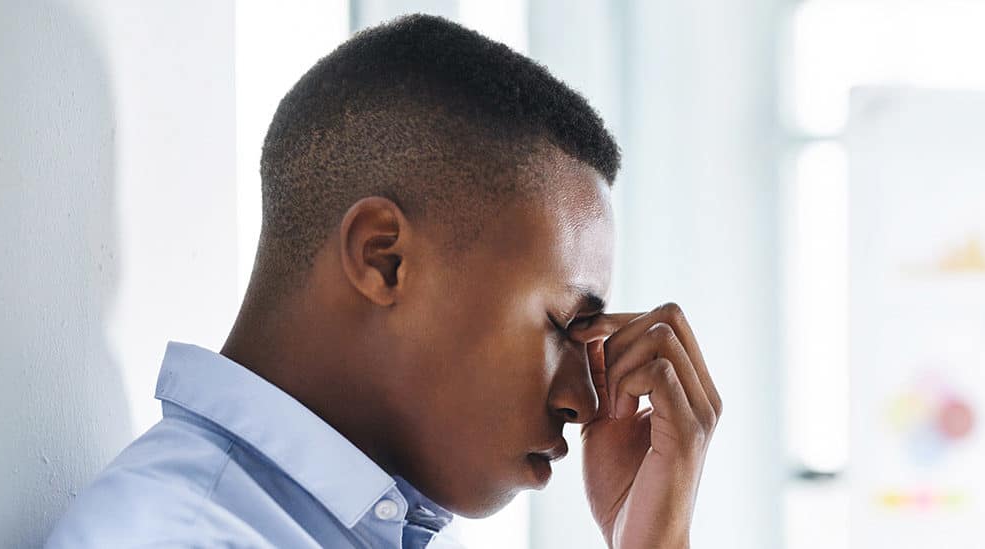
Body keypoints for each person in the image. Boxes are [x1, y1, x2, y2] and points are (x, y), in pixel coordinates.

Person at [47, 13, 722, 549]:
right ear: (383, 258)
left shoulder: (395, 526)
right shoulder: (179, 537)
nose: (583, 400)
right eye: (560, 326)